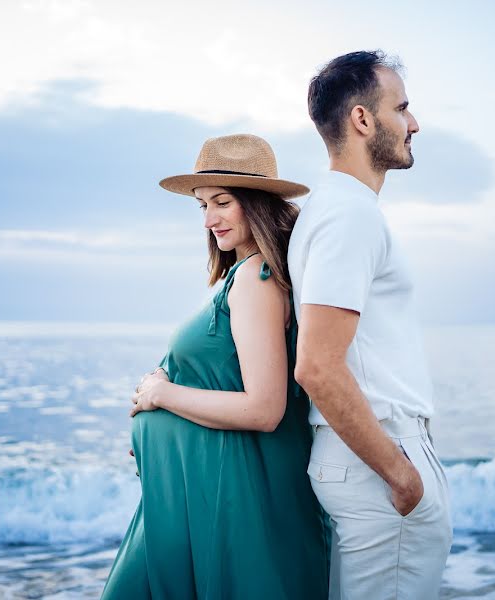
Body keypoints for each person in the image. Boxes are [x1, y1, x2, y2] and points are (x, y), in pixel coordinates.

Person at [100, 133, 330, 599]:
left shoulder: (256, 279)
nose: (209, 220)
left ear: (257, 202)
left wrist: (163, 396)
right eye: (202, 206)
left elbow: (265, 409)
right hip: (201, 491)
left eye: (221, 203)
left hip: (235, 496)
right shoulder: (240, 274)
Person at [289, 50, 453, 598]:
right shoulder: (349, 214)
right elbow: (316, 364)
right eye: (401, 108)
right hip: (377, 464)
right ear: (363, 119)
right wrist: (400, 474)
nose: (414, 123)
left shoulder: (332, 209)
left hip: (363, 462)